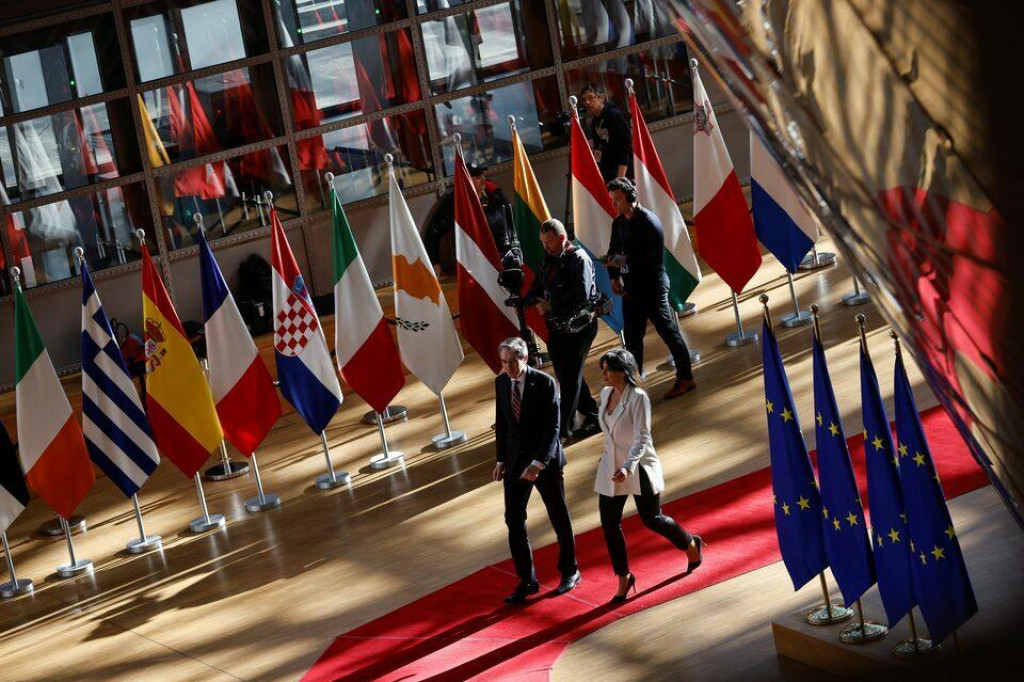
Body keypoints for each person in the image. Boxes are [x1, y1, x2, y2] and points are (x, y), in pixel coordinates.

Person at [594, 349, 704, 603]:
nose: (604, 374)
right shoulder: (605, 393)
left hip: (638, 465)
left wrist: (629, 465)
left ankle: (690, 543)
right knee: (609, 524)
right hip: (611, 465)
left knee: (652, 518)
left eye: (608, 369)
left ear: (623, 371)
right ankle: (624, 577)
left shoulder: (638, 397)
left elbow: (642, 437)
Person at [494, 337, 582, 603]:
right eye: (504, 363)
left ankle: (570, 570)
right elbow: (502, 423)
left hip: (545, 461)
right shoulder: (501, 383)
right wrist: (500, 460)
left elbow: (553, 429)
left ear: (525, 359)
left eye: (512, 362)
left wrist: (539, 463)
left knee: (558, 515)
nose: (508, 368)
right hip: (515, 462)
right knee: (514, 520)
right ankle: (527, 580)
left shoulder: (544, 383)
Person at [605, 176, 696, 400]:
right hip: (631, 288)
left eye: (617, 199)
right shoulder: (619, 223)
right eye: (612, 200)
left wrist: (618, 262)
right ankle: (634, 384)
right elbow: (613, 251)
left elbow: (646, 261)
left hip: (652, 287)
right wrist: (614, 277)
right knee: (633, 339)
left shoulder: (649, 223)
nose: (614, 204)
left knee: (669, 332)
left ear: (630, 197)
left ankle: (686, 377)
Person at [525, 218, 601, 442]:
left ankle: (564, 430)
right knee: (566, 374)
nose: (544, 247)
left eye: (548, 242)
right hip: (558, 326)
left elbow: (582, 295)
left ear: (561, 238)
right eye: (542, 242)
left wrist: (551, 306)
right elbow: (539, 285)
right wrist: (526, 300)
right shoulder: (549, 259)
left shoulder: (579, 259)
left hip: (581, 327)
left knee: (569, 378)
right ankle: (593, 413)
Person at [423, 162, 510, 274]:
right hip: (474, 262)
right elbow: (433, 232)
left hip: (502, 256)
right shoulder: (454, 203)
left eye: (483, 176)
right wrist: (434, 262)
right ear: (466, 181)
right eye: (478, 178)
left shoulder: (495, 195)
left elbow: (510, 221)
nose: (483, 180)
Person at [580, 83, 632, 183]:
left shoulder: (614, 115)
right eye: (584, 99)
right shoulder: (595, 121)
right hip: (608, 172)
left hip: (623, 173)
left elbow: (625, 147)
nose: (587, 102)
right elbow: (598, 148)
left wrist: (620, 179)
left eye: (591, 98)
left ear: (601, 98)